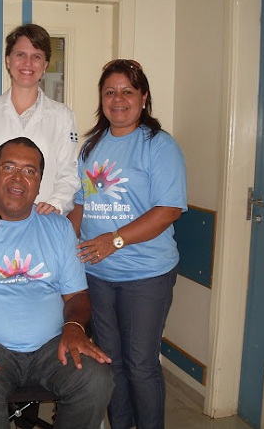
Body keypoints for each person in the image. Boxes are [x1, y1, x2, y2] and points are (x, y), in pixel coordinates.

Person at [0, 137, 114, 429]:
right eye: (9, 167)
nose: (18, 178)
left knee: (96, 377)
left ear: (40, 182)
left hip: (53, 348)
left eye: (30, 171)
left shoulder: (59, 228)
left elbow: (78, 297)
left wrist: (75, 327)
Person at [67, 59, 187, 429]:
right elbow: (81, 207)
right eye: (110, 92)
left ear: (143, 97)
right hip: (97, 275)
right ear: (101, 98)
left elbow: (168, 210)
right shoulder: (91, 148)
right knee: (110, 362)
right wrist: (59, 244)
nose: (118, 99)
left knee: (140, 363)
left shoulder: (159, 146)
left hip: (146, 275)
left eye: (127, 91)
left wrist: (114, 240)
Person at [0, 23, 80, 215]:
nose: (28, 63)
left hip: (41, 222)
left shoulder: (62, 116)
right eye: (20, 55)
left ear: (45, 65)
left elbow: (68, 174)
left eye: (36, 57)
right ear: (8, 60)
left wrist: (56, 204)